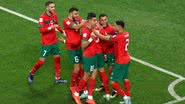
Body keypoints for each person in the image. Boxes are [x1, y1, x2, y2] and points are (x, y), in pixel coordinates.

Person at [93, 20, 132, 104]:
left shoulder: (118, 37)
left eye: (115, 26)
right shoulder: (126, 34)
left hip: (121, 61)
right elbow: (114, 36)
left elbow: (104, 38)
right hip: (127, 59)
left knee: (112, 82)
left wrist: (94, 31)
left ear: (119, 26)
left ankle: (125, 98)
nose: (114, 27)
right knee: (125, 78)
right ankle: (129, 98)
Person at [28, 1, 67, 84]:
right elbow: (41, 30)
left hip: (54, 42)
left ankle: (57, 78)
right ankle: (32, 72)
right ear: (47, 8)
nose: (53, 8)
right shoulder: (42, 17)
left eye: (54, 7)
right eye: (52, 7)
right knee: (41, 61)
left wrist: (62, 32)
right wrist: (51, 27)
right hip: (46, 43)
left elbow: (57, 25)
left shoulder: (55, 15)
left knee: (57, 58)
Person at [72, 12, 98, 104]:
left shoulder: (92, 28)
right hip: (89, 56)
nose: (96, 22)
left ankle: (90, 97)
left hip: (94, 55)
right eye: (94, 20)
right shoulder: (85, 31)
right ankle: (76, 93)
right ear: (89, 20)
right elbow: (83, 45)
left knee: (94, 73)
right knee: (87, 75)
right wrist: (91, 38)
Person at [59, 7, 86, 94]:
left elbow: (83, 22)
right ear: (70, 13)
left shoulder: (77, 18)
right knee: (77, 68)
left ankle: (81, 83)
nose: (77, 15)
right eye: (75, 14)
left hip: (78, 46)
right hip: (72, 48)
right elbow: (77, 26)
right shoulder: (66, 21)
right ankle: (72, 85)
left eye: (78, 14)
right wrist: (83, 23)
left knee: (82, 66)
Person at [94, 14, 116, 99]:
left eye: (105, 19)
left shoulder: (111, 29)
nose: (103, 21)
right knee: (101, 69)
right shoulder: (97, 28)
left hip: (110, 52)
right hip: (101, 52)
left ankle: (115, 89)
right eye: (101, 20)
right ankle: (103, 85)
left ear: (107, 20)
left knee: (110, 70)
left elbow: (114, 41)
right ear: (99, 20)